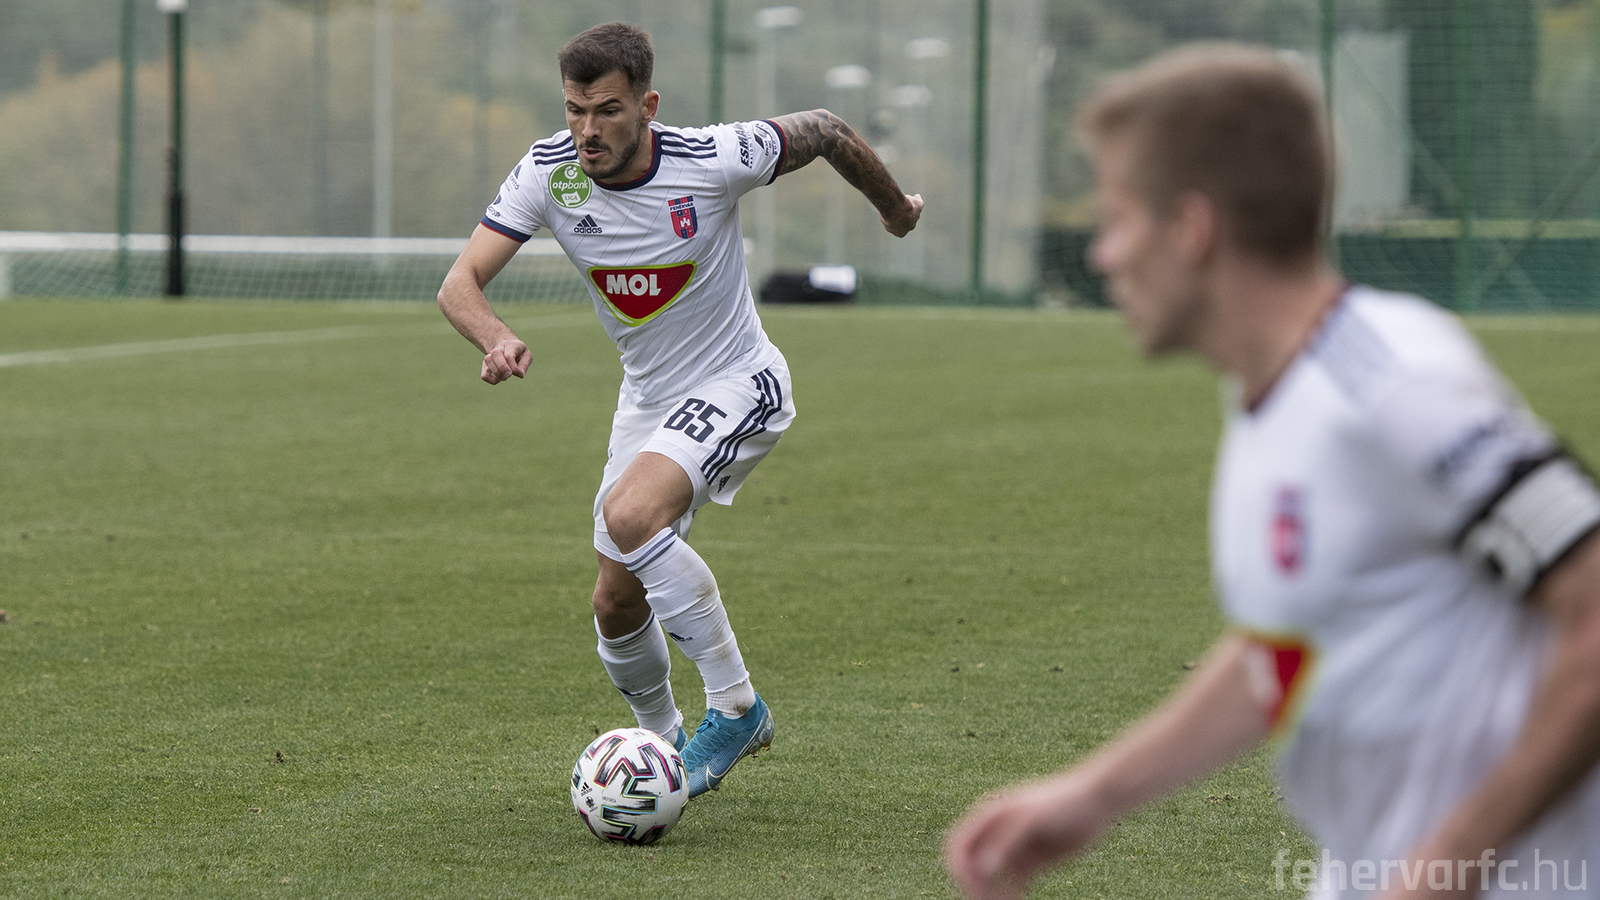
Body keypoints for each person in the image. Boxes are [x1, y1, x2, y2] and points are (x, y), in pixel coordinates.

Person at [945, 43, 1600, 899]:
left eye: (1117, 220)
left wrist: (1447, 865)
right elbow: (1290, 643)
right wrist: (1094, 795)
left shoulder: (1392, 386)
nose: (1102, 255)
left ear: (1193, 230)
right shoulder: (1271, 393)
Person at [437, 22, 922, 799]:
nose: (588, 131)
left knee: (631, 515)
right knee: (614, 599)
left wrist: (895, 210)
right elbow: (459, 284)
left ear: (648, 105)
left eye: (607, 110)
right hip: (648, 397)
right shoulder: (551, 173)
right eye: (574, 110)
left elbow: (828, 130)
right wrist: (494, 338)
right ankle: (661, 748)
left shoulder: (712, 159)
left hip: (738, 381)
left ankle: (736, 708)